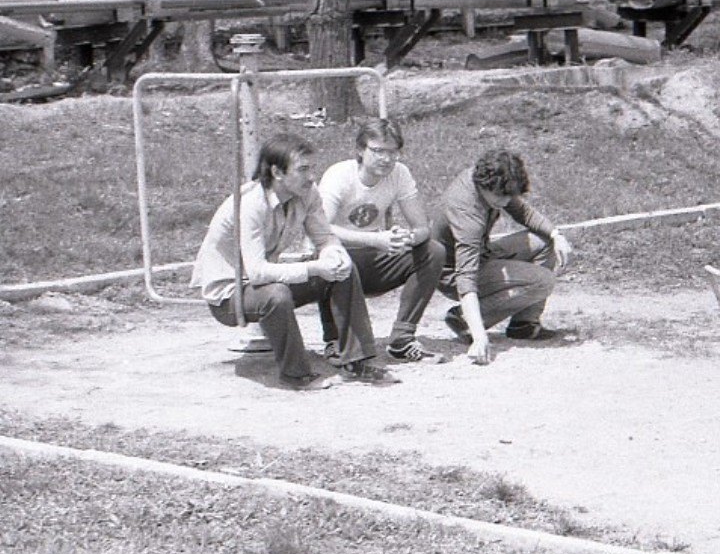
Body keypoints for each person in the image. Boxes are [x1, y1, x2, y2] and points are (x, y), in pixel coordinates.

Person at [190, 134, 399, 390]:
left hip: (264, 282)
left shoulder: (307, 193)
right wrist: (315, 267)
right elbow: (257, 273)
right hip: (229, 295)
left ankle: (356, 362)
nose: (312, 176)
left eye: (312, 168)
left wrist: (335, 255)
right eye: (303, 169)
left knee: (341, 269)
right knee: (275, 294)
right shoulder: (250, 204)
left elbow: (325, 237)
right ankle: (295, 375)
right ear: (277, 172)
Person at [316, 119, 447, 364]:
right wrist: (375, 239)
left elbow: (421, 227)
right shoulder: (340, 175)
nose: (386, 159)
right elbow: (320, 229)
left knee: (433, 251)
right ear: (360, 150)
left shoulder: (400, 173)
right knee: (332, 256)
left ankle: (402, 338)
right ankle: (334, 338)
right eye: (378, 151)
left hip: (373, 258)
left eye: (393, 152)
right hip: (338, 257)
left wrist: (405, 238)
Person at [431, 148, 575, 365]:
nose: (506, 201)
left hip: (481, 254)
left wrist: (557, 235)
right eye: (502, 196)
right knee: (542, 281)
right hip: (452, 273)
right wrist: (479, 336)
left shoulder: (491, 181)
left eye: (510, 195)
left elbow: (524, 213)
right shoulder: (466, 210)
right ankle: (465, 320)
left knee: (545, 242)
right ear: (484, 185)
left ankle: (524, 325)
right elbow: (466, 276)